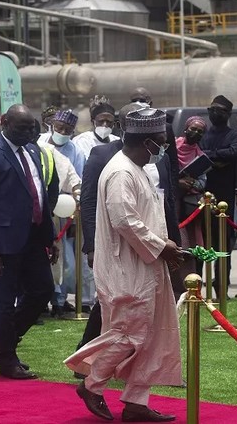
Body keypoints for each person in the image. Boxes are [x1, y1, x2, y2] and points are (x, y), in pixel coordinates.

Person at [66, 108, 183, 423]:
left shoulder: (138, 167)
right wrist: (161, 246)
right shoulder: (121, 171)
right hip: (126, 267)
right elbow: (124, 220)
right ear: (146, 141)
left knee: (151, 333)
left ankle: (135, 402)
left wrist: (163, 249)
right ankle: (92, 384)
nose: (162, 149)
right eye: (159, 142)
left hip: (146, 263)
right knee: (129, 333)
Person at [0, 104, 59, 379]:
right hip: (4, 241)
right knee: (4, 301)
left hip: (34, 237)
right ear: (5, 123)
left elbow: (40, 196)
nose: (27, 133)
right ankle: (7, 360)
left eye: (31, 128)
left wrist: (50, 237)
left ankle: (2, 341)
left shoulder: (33, 150)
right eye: (21, 128)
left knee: (42, 291)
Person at [38, 109, 89, 316]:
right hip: (37, 210)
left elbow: (77, 182)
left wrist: (74, 216)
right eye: (59, 128)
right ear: (52, 125)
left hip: (62, 213)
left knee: (64, 261)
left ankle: (58, 301)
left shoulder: (75, 151)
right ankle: (39, 301)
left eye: (67, 130)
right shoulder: (39, 144)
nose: (62, 132)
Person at [201, 95, 237, 297]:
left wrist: (209, 156)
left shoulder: (234, 134)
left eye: (220, 110)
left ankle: (222, 289)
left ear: (228, 114)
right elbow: (199, 153)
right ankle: (198, 289)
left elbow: (233, 153)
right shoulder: (203, 134)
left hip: (225, 199)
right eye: (212, 109)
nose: (215, 114)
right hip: (202, 199)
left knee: (224, 247)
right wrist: (216, 156)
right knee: (202, 245)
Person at [175, 117, 209, 295]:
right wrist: (177, 182)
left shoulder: (200, 156)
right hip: (173, 204)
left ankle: (194, 287)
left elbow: (203, 182)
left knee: (192, 248)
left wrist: (190, 184)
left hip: (190, 208)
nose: (195, 133)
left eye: (200, 131)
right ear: (186, 128)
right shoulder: (172, 147)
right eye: (193, 129)